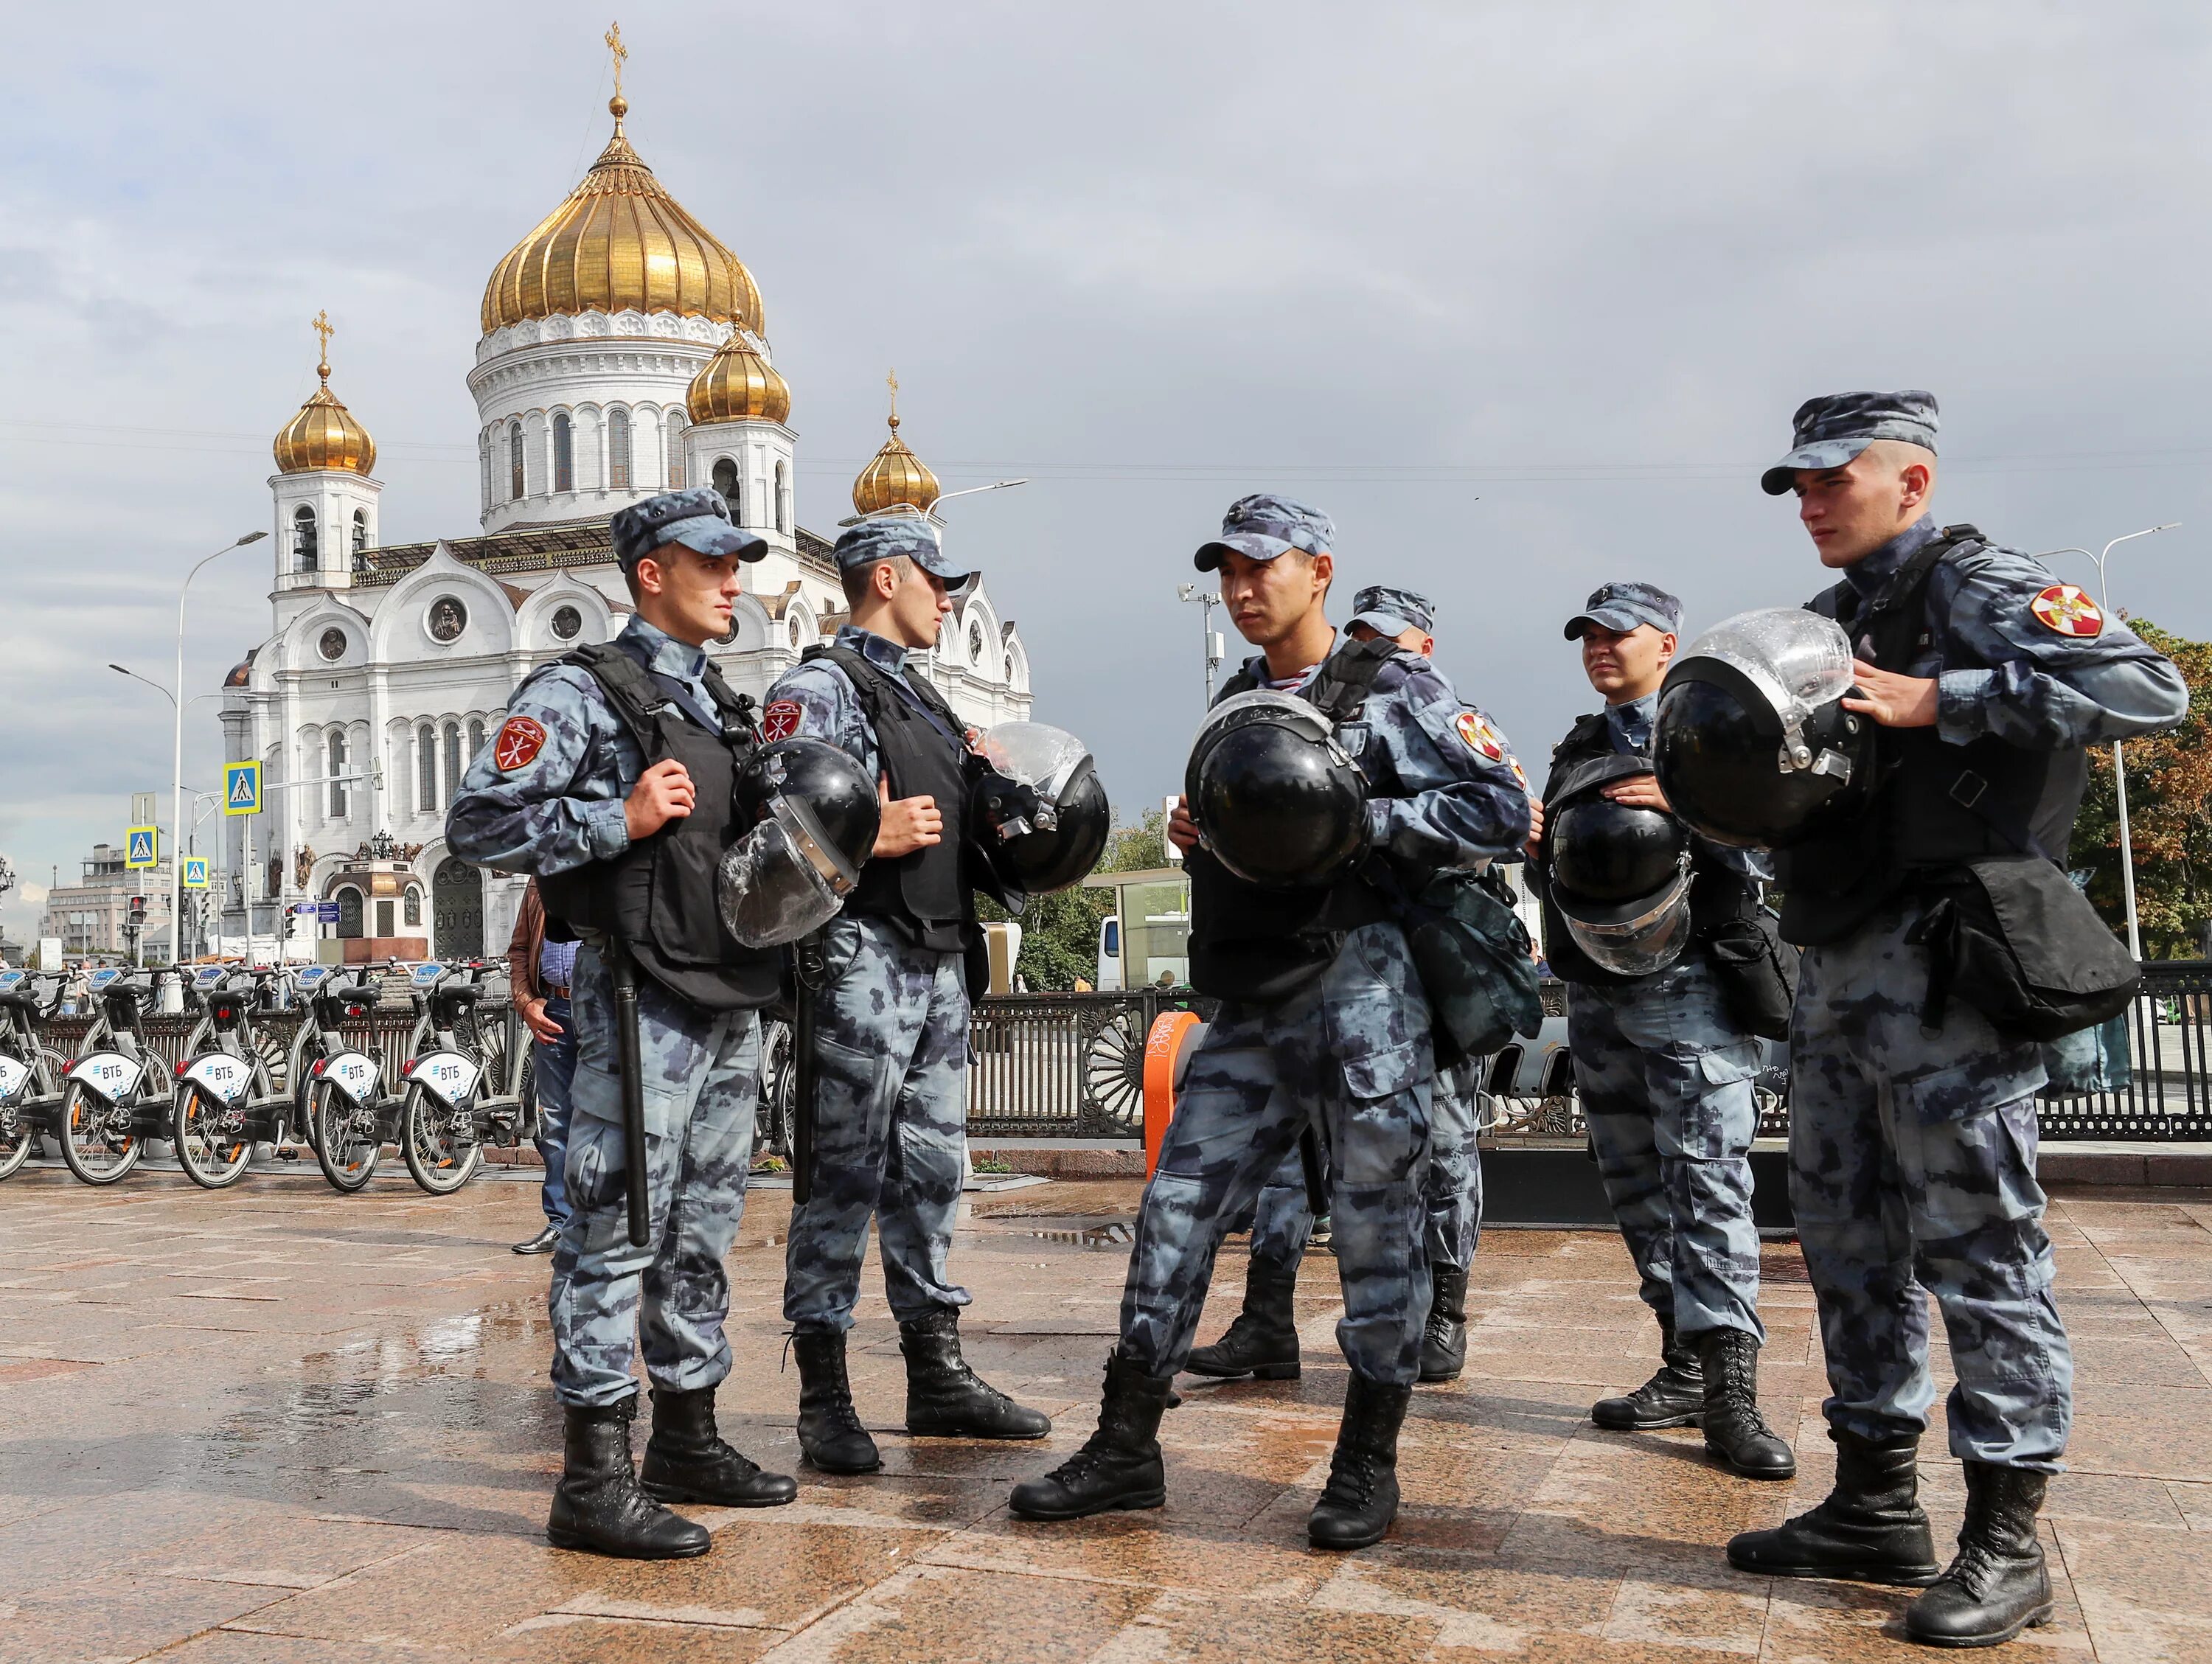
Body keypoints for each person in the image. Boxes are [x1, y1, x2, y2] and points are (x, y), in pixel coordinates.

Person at [1721, 391, 2187, 1647]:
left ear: (1912, 483)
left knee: (1982, 1249)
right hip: (1838, 966)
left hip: (1953, 969)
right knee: (1845, 1240)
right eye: (1797, 488)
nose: (1810, 504)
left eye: (1833, 481)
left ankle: (2006, 1538)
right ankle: (1874, 1499)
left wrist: (1948, 700)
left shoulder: (1982, 584)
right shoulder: (1825, 625)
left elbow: (2149, 692)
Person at [1008, 495, 1530, 1549]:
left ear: (1320, 571)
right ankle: (1126, 1446)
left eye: (1262, 568)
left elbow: (1506, 806)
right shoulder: (1238, 698)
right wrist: (1208, 828)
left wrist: (1359, 814)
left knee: (1381, 1231)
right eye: (1228, 573)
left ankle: (1365, 1464)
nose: (1243, 589)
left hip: (1361, 996)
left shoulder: (1394, 687)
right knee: (1173, 1215)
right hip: (1247, 1001)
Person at [447, 488, 798, 1561]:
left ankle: (687, 1435)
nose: (734, 579)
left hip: (728, 995)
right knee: (612, 1229)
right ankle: (593, 1478)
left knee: (700, 1225)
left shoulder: (723, 701)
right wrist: (620, 816)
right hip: (634, 998)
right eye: (714, 561)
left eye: (740, 562)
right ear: (652, 572)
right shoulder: (581, 692)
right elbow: (477, 820)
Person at [759, 509, 1051, 1476]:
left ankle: (936, 1372)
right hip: (860, 961)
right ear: (888, 578)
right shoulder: (820, 686)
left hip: (937, 958)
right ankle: (825, 1397)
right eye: (938, 582)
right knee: (841, 1175)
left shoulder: (920, 699)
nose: (949, 599)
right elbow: (773, 824)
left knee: (931, 1175)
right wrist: (864, 837)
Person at [1186, 585, 1490, 1387]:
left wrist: (1363, 812)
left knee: (1447, 1146)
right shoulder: (1296, 706)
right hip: (1306, 966)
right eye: (1361, 636)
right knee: (1286, 1157)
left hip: (1423, 964)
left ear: (1424, 646)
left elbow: (1497, 820)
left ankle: (1444, 1311)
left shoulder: (1430, 715)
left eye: (1391, 639)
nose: (1373, 651)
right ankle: (1265, 1317)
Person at [1526, 582, 1790, 1481]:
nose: (1600, 648)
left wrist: (1691, 809)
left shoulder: (1708, 728)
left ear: (1667, 642)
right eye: (1588, 636)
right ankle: (1682, 1359)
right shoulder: (1579, 745)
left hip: (1692, 991)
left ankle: (1732, 1394)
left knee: (1708, 1187)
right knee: (1634, 1183)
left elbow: (1774, 839)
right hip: (1598, 994)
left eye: (1617, 634)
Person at [507, 878, 575, 1256]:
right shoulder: (540, 877)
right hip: (552, 1010)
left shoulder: (611, 858)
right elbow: (519, 949)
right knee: (556, 1122)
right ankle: (562, 1221)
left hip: (605, 1009)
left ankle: (614, 1222)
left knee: (611, 1117)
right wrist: (526, 1002)